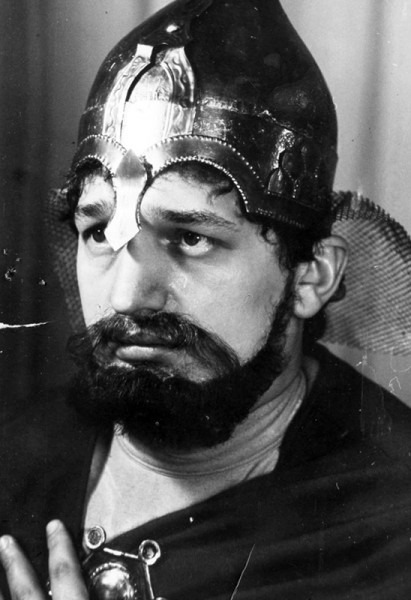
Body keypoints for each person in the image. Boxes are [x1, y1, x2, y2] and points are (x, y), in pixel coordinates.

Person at [1, 0, 411, 598]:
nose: (126, 296)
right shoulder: (14, 454)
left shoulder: (391, 528)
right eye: (100, 234)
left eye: (190, 239)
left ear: (311, 277)